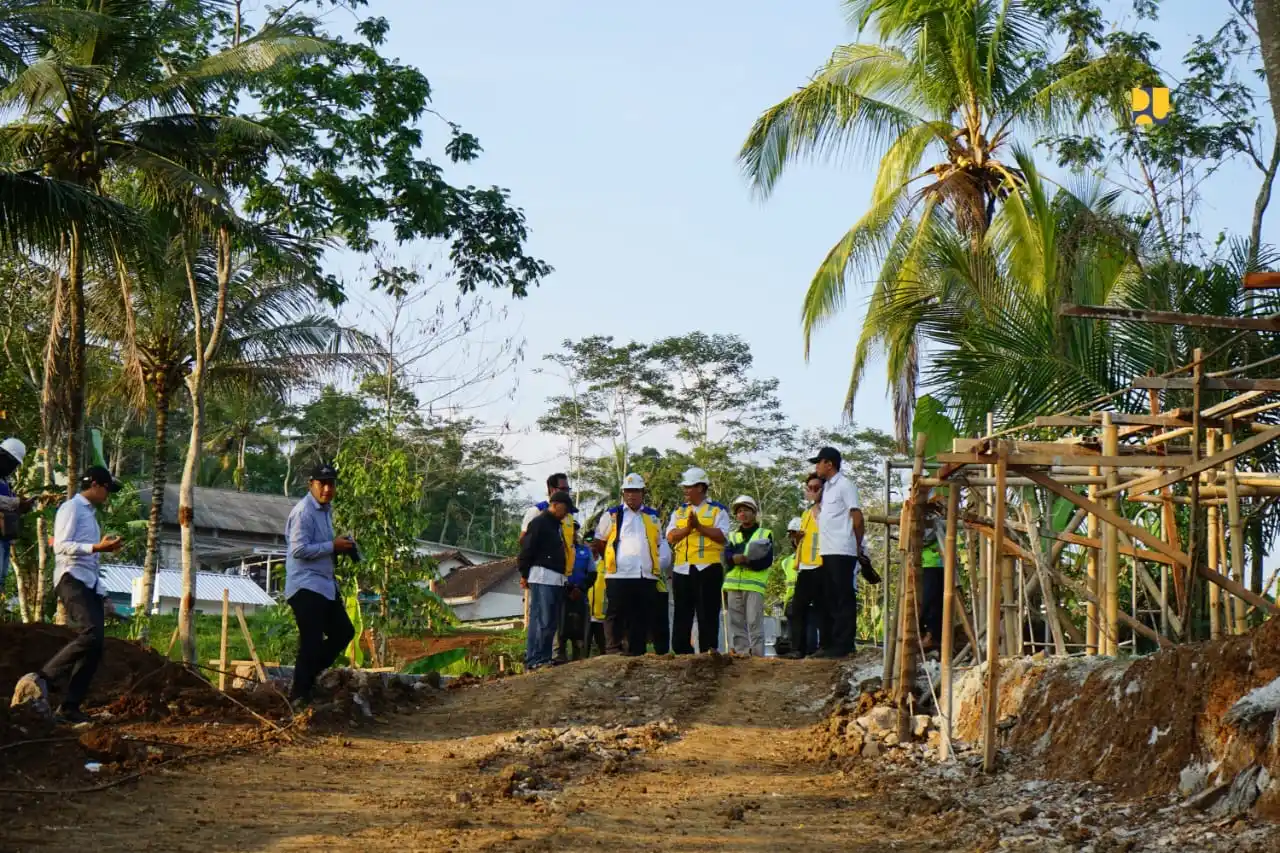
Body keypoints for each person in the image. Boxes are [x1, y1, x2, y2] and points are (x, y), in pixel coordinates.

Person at [10, 467, 124, 725]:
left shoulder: (90, 516)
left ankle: (70, 706)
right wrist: (96, 546)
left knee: (95, 645)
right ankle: (41, 678)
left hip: (87, 582)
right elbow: (60, 545)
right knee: (91, 634)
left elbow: (91, 563)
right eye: (107, 488)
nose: (108, 495)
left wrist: (103, 596)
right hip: (70, 578)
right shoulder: (71, 508)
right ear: (94, 484)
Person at [284, 463, 357, 707]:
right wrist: (332, 546)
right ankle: (299, 695)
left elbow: (322, 545)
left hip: (324, 584)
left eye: (331, 484)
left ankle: (304, 681)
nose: (327, 489)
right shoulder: (304, 512)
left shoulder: (325, 510)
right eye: (322, 484)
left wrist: (341, 547)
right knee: (311, 641)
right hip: (305, 586)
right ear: (311, 485)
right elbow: (298, 550)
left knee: (344, 632)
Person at [595, 473, 671, 656]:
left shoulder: (652, 516)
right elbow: (599, 540)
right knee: (616, 612)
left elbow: (659, 543)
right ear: (623, 493)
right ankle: (613, 649)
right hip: (618, 574)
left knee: (641, 615)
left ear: (642, 492)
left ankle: (637, 651)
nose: (631, 495)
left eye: (635, 491)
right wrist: (613, 559)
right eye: (628, 491)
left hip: (645, 574)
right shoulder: (612, 514)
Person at [666, 468, 731, 654]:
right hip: (682, 568)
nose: (685, 491)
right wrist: (687, 529)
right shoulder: (679, 512)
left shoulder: (718, 510)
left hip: (707, 568)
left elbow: (722, 536)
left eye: (689, 487)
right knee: (682, 614)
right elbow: (671, 536)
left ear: (701, 488)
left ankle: (708, 653)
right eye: (684, 487)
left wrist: (699, 527)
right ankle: (681, 652)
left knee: (707, 614)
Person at [810, 446, 864, 659]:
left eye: (819, 462)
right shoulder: (828, 489)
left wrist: (857, 545)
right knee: (828, 598)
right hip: (828, 551)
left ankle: (844, 644)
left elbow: (857, 517)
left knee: (843, 597)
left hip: (843, 550)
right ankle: (830, 643)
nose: (817, 467)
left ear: (829, 464)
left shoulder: (845, 485)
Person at [518, 490, 576, 670]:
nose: (566, 513)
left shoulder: (555, 526)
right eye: (565, 509)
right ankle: (537, 659)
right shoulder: (540, 522)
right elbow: (527, 549)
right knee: (542, 620)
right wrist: (524, 573)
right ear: (556, 504)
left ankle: (542, 657)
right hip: (543, 575)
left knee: (549, 621)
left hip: (555, 578)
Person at [721, 496, 774, 657]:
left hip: (754, 586)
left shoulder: (765, 534)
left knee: (754, 622)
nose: (742, 514)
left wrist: (746, 561)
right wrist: (734, 559)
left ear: (754, 512)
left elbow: (766, 560)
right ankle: (741, 653)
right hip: (733, 586)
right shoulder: (731, 536)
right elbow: (726, 558)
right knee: (736, 623)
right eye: (739, 511)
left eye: (745, 510)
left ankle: (757, 657)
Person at [784, 475, 827, 659]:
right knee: (797, 609)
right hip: (806, 568)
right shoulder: (806, 514)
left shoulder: (829, 511)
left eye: (816, 487)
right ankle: (796, 649)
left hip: (823, 566)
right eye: (809, 488)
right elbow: (801, 541)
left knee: (822, 609)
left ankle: (823, 646)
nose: (812, 491)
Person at [0, 437, 37, 592]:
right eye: (12, 463)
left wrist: (23, 507)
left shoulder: (5, 482)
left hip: (4, 539)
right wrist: (16, 502)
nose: (13, 468)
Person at [555, 537, 597, 663]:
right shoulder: (558, 549)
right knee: (560, 626)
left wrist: (580, 588)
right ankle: (559, 654)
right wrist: (568, 589)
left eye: (574, 529)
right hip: (562, 595)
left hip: (580, 594)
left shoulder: (585, 551)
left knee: (579, 628)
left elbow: (592, 573)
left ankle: (578, 656)